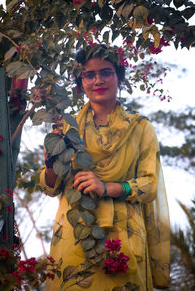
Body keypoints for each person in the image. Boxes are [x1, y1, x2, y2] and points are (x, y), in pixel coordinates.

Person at [40, 44, 170, 291]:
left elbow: (150, 185)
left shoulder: (140, 128)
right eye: (89, 74)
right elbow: (50, 187)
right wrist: (50, 165)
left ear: (119, 77)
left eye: (106, 72)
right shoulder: (66, 128)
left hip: (124, 238)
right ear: (80, 83)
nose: (97, 80)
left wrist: (106, 187)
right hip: (75, 234)